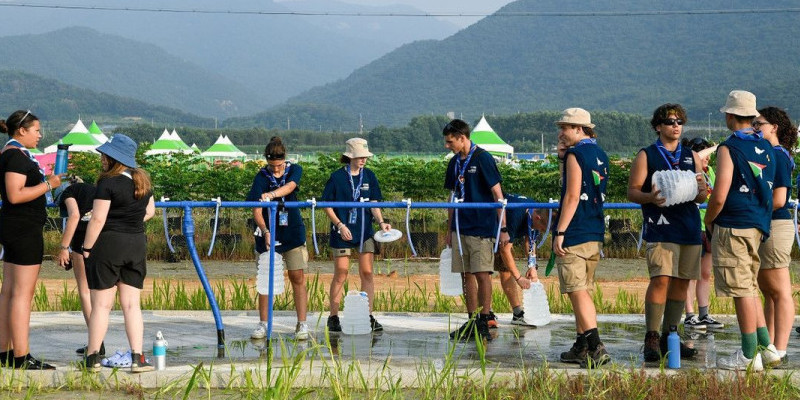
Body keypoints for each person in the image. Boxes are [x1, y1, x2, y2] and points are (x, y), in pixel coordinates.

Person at [705, 90, 778, 371]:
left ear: (730, 115)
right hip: (758, 224)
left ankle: (748, 356)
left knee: (741, 290)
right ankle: (765, 345)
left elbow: (720, 193)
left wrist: (710, 220)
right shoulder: (767, 147)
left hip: (733, 224)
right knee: (748, 285)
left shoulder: (729, 148)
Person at [627, 104, 706, 362]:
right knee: (661, 279)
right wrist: (650, 197)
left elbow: (701, 197)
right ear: (658, 126)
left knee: (683, 283)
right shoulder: (647, 155)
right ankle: (651, 336)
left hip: (690, 227)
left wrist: (703, 188)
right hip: (661, 226)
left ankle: (671, 335)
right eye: (670, 121)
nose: (676, 125)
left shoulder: (690, 156)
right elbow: (632, 192)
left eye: (680, 121)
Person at [79, 134, 155, 373]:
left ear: (113, 159)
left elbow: (98, 219)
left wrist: (87, 248)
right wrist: (130, 222)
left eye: (105, 155)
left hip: (109, 245)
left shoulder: (107, 183)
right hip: (136, 244)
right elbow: (150, 212)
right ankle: (137, 357)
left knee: (101, 305)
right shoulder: (142, 181)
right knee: (132, 305)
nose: (102, 158)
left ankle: (93, 358)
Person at [0, 110, 62, 369]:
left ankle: (5, 351)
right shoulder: (15, 156)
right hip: (23, 230)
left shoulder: (11, 153)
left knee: (9, 293)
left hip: (15, 228)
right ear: (22, 130)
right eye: (36, 130)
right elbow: (15, 195)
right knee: (21, 295)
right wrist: (49, 184)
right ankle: (21, 356)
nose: (40, 135)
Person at [552, 108, 610, 368]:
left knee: (577, 290)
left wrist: (560, 231)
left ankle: (596, 345)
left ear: (579, 128)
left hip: (575, 231)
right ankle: (581, 345)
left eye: (565, 128)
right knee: (584, 289)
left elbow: (572, 196)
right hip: (595, 230)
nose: (561, 133)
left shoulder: (576, 155)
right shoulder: (601, 154)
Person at [442, 119, 508, 342]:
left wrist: (503, 228)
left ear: (462, 137)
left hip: (481, 227)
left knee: (482, 273)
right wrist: (450, 229)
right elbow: (451, 196)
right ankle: (471, 320)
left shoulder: (483, 159)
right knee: (465, 273)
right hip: (461, 227)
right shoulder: (454, 163)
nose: (447, 145)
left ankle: (484, 318)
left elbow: (498, 194)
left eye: (450, 141)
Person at [322, 138, 391, 333]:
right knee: (341, 272)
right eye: (360, 156)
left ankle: (368, 315)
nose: (363, 160)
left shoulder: (369, 176)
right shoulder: (336, 177)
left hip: (364, 231)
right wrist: (340, 224)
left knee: (367, 272)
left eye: (365, 157)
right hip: (342, 230)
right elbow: (326, 204)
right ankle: (333, 316)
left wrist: (381, 221)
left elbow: (374, 202)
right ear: (350, 157)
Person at [247, 137, 310, 341]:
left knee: (297, 277)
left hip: (292, 232)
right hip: (268, 234)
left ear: (285, 159)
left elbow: (290, 186)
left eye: (279, 166)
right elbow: (256, 209)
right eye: (272, 166)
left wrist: (272, 194)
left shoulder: (294, 169)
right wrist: (265, 230)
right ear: (267, 162)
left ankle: (302, 323)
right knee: (265, 278)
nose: (275, 170)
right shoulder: (260, 177)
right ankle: (263, 323)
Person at [753, 107, 796, 367]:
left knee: (780, 290)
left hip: (776, 225)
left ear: (774, 127)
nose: (756, 128)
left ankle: (779, 348)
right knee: (768, 291)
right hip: (765, 223)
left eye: (759, 124)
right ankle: (768, 345)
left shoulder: (778, 156)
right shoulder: (769, 154)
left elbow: (780, 199)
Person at [57, 176, 105, 356]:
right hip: (101, 238)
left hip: (82, 239)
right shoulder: (93, 189)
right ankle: (98, 342)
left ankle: (96, 344)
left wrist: (63, 247)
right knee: (100, 293)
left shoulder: (66, 193)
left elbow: (74, 215)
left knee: (84, 292)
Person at [682, 137, 725, 331]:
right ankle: (689, 314)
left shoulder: (711, 172)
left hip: (709, 226)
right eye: (706, 154)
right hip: (692, 225)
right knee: (690, 273)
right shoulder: (689, 170)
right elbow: (696, 158)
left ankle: (704, 313)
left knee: (705, 273)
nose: (708, 158)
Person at [491, 194, 549, 328]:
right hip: (488, 227)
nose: (540, 231)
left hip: (503, 236)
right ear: (537, 218)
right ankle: (485, 313)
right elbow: (505, 249)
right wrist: (519, 278)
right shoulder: (516, 213)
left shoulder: (536, 211)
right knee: (485, 272)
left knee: (505, 270)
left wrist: (532, 265)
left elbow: (531, 238)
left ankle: (517, 313)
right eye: (541, 228)